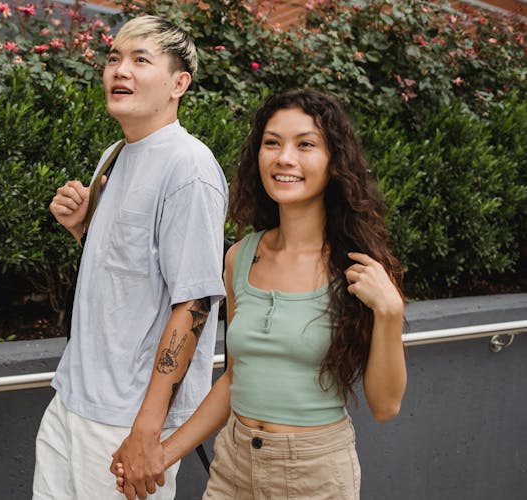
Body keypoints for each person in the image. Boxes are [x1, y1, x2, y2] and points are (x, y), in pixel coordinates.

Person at [113, 89, 407, 499]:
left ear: (335, 162)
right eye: (272, 143)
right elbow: (234, 380)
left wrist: (390, 312)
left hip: (315, 472)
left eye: (305, 144)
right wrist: (162, 454)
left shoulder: (359, 268)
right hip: (233, 465)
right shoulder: (240, 257)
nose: (284, 158)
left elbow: (385, 405)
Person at [33, 15, 228, 500]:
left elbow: (196, 304)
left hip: (127, 421)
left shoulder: (190, 168)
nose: (120, 70)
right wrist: (83, 230)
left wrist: (148, 429)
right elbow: (132, 278)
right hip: (72, 402)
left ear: (178, 83)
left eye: (141, 60)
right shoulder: (115, 154)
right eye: (115, 58)